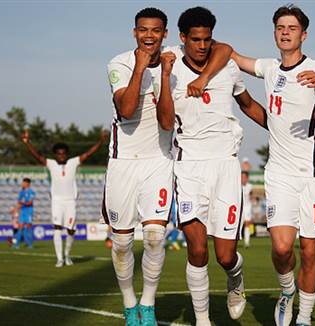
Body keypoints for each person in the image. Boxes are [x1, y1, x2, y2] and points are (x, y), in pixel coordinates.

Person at [103, 7, 233, 326]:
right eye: (144, 30)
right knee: (121, 242)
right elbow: (128, 108)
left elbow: (224, 49)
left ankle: (147, 306)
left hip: (160, 162)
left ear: (165, 34)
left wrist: (164, 73)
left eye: (156, 31)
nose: (150, 36)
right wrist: (141, 68)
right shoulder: (118, 63)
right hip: (122, 162)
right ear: (135, 32)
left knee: (153, 237)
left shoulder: (173, 58)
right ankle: (129, 302)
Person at [231, 5, 315, 326]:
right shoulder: (269, 68)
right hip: (279, 173)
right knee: (281, 249)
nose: (285, 32)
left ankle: (304, 318)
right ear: (274, 32)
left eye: (292, 28)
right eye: (280, 26)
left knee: (309, 251)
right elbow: (235, 56)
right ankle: (286, 291)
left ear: (303, 34)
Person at [158, 7, 267, 325]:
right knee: (197, 250)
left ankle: (236, 275)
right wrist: (165, 77)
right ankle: (202, 320)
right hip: (188, 167)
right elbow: (165, 122)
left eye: (207, 39)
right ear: (182, 38)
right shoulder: (168, 63)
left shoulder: (227, 66)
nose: (202, 46)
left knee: (224, 256)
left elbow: (248, 105)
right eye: (195, 39)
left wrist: (280, 129)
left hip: (225, 167)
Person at [22, 129, 106, 267]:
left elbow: (88, 153)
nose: (61, 155)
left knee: (71, 230)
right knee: (57, 228)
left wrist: (100, 141)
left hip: (70, 202)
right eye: (58, 153)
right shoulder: (51, 164)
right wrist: (27, 142)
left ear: (66, 154)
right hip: (57, 201)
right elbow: (37, 156)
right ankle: (60, 258)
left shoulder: (73, 162)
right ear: (55, 155)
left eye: (63, 153)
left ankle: (67, 255)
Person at [14, 178, 35, 249]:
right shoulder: (21, 192)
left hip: (29, 211)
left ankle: (30, 244)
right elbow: (19, 203)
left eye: (24, 183)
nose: (22, 184)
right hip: (23, 211)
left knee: (28, 227)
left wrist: (22, 203)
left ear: (28, 184)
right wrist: (15, 210)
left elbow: (30, 203)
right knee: (20, 227)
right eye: (22, 183)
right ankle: (16, 245)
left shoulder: (31, 192)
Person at [242, 171, 253, 248]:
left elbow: (251, 196)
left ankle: (247, 242)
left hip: (247, 207)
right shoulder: (237, 186)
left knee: (247, 224)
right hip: (240, 207)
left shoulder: (250, 186)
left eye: (244, 177)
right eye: (241, 177)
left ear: (247, 178)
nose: (242, 179)